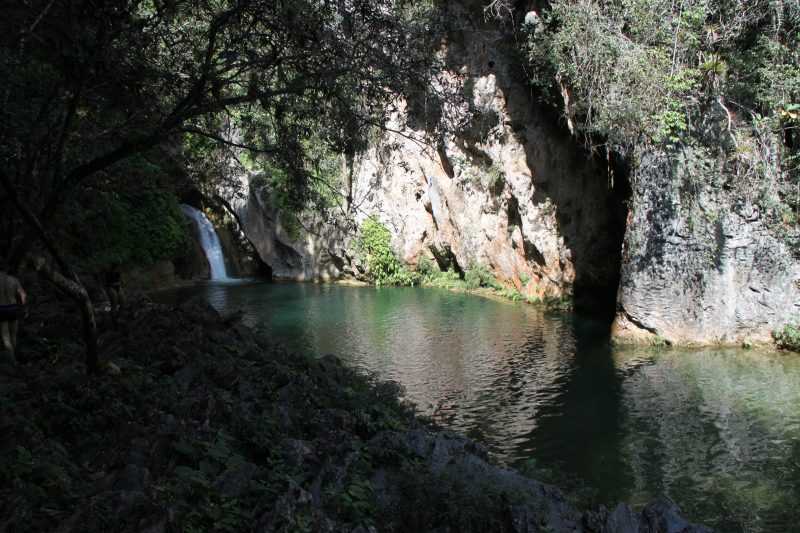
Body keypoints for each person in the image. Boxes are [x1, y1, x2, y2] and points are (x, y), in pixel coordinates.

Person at [0, 271, 26, 364]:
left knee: (6, 337)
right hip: (13, 308)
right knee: (13, 335)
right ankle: (15, 355)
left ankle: (13, 361)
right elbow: (23, 295)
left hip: (1, 309)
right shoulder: (13, 279)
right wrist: (23, 306)